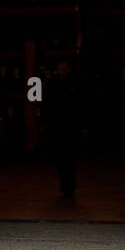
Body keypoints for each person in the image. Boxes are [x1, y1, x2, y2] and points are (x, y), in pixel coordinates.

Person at [42, 59, 80, 199]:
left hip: (70, 126)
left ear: (69, 70)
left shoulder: (75, 84)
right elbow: (46, 105)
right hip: (56, 126)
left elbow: (81, 105)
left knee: (70, 157)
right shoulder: (51, 84)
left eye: (65, 69)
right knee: (59, 158)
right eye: (60, 69)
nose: (62, 72)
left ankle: (69, 185)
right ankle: (65, 184)